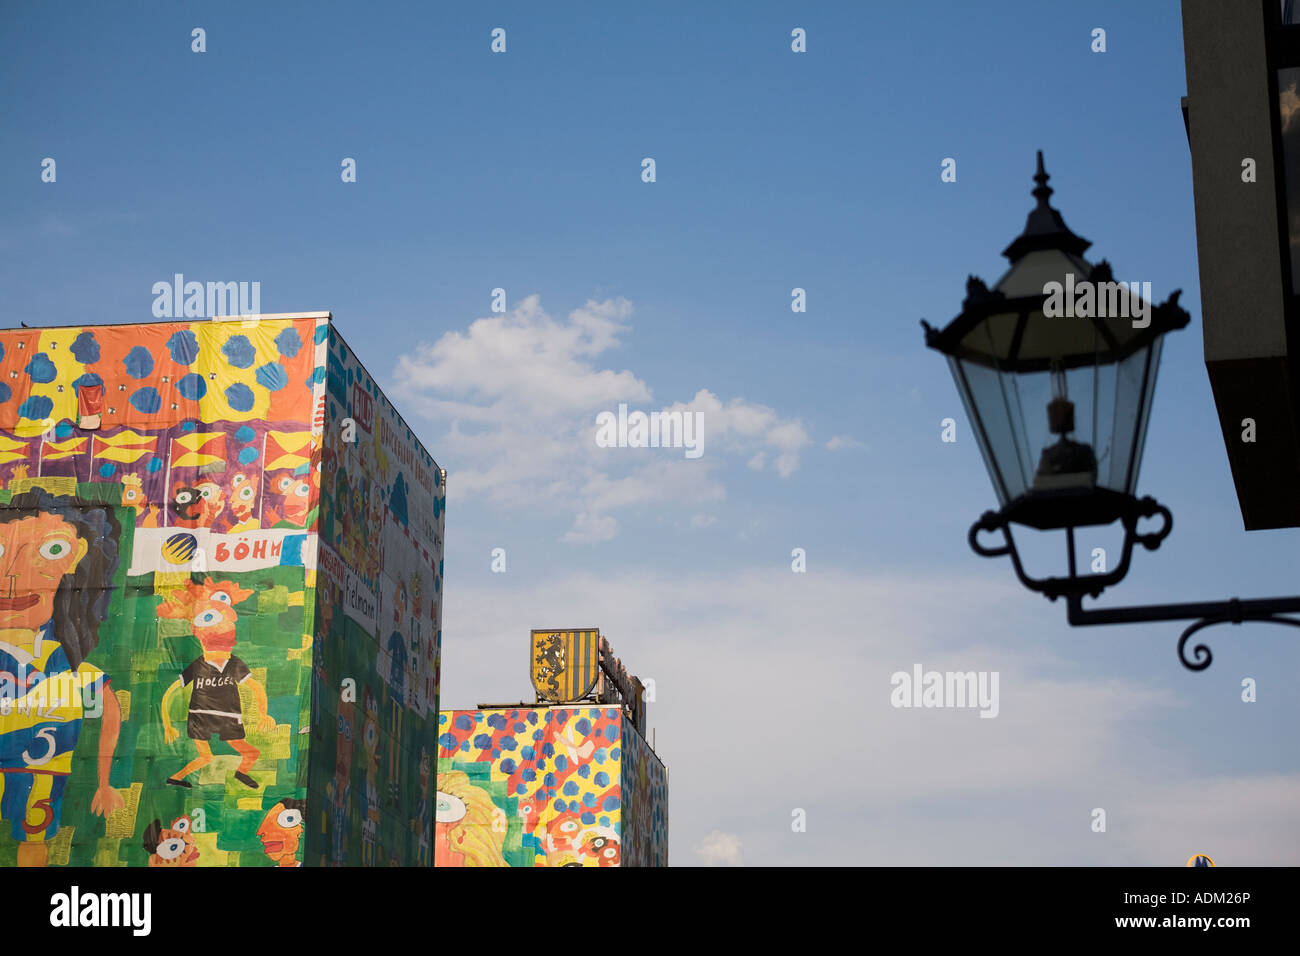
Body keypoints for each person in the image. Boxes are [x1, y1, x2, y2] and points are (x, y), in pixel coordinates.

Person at [0, 491, 125, 867]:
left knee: (32, 842)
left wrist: (104, 783)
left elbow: (111, 713)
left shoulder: (70, 667)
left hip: (41, 773)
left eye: (52, 551)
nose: (13, 575)